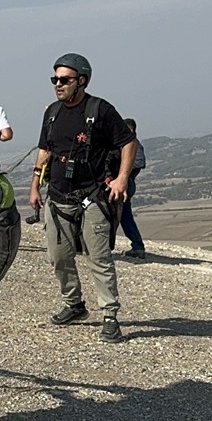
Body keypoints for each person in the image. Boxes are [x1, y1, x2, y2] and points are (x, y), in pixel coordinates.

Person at [28, 53, 138, 344]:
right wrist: (34, 186)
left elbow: (128, 142)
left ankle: (110, 315)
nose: (58, 85)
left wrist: (122, 178)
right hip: (58, 197)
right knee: (58, 257)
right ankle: (74, 304)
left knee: (98, 259)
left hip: (93, 198)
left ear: (82, 81)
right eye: (55, 80)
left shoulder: (100, 110)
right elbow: (44, 151)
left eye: (64, 80)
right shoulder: (51, 113)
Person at [119, 118, 148, 259]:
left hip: (126, 183)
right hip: (123, 183)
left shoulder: (134, 145)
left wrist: (122, 172)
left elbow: (139, 163)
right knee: (123, 216)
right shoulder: (126, 144)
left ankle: (137, 246)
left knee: (124, 216)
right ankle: (137, 246)